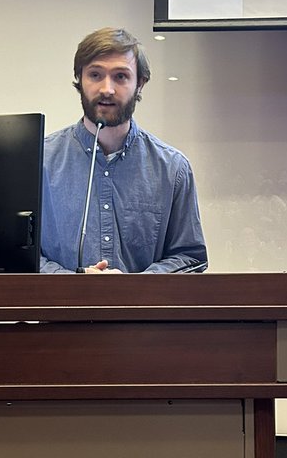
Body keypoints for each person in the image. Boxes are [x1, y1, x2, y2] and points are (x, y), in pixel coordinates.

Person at [39, 27, 208, 274]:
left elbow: (190, 257)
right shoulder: (39, 162)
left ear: (140, 84)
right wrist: (72, 282)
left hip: (143, 312)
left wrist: (134, 287)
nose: (107, 89)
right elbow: (21, 256)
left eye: (120, 76)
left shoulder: (172, 169)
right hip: (60, 311)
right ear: (80, 79)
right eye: (95, 75)